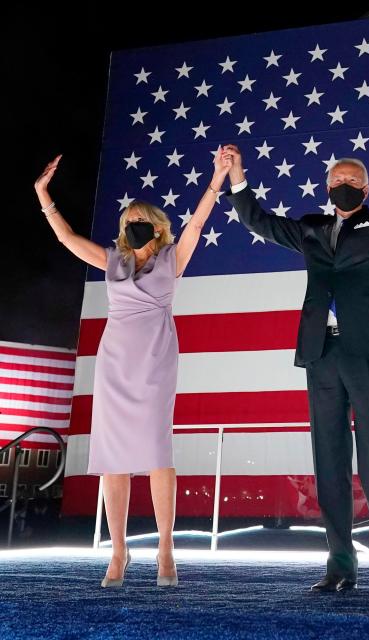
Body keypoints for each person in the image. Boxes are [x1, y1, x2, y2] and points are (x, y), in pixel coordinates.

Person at [220, 116, 369, 595]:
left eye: (350, 181)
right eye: (334, 180)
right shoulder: (313, 230)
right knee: (329, 458)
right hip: (322, 353)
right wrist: (237, 178)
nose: (341, 185)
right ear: (326, 187)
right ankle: (340, 563)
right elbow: (260, 221)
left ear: (365, 187)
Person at [33, 149, 229, 587]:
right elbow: (67, 240)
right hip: (115, 363)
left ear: (157, 227)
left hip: (155, 362)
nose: (131, 224)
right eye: (126, 220)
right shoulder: (113, 261)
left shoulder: (171, 258)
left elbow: (196, 224)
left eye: (140, 218)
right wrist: (43, 195)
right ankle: (118, 554)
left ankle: (165, 551)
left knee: (158, 454)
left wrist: (216, 179)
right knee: (114, 460)